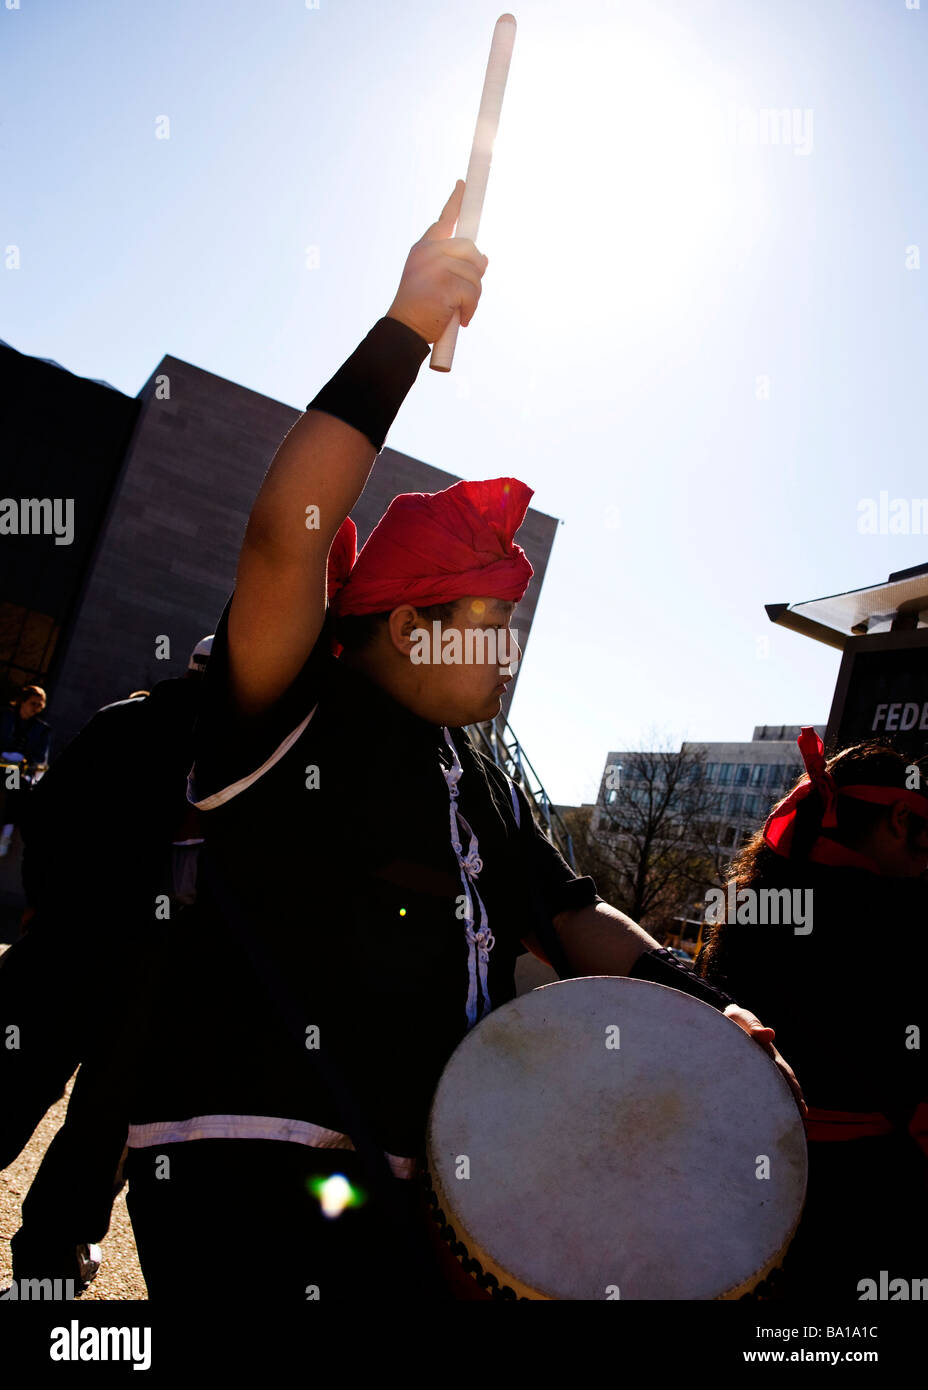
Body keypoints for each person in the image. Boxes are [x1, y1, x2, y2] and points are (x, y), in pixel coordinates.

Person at [119, 180, 803, 1303]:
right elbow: (282, 534)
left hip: (410, 1181)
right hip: (244, 1157)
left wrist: (701, 1003)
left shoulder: (477, 773)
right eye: (490, 624)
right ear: (405, 623)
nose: (509, 653)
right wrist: (403, 327)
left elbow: (573, 911)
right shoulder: (292, 701)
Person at [0, 636, 213, 1296]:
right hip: (155, 977)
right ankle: (47, 1270)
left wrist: (42, 905)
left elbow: (47, 816)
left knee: (12, 1078)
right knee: (101, 1129)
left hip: (66, 946)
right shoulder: (248, 749)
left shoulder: (124, 717)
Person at [696, 730, 928, 1299]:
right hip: (862, 1204)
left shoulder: (746, 902)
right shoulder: (901, 917)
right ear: (900, 817)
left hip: (737, 1192)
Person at [0, 685, 51, 858]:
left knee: (14, 783)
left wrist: (20, 758)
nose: (36, 708)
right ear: (22, 702)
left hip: (16, 770)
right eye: (32, 703)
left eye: (39, 705)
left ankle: (6, 834)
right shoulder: (5, 717)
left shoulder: (41, 730)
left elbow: (39, 758)